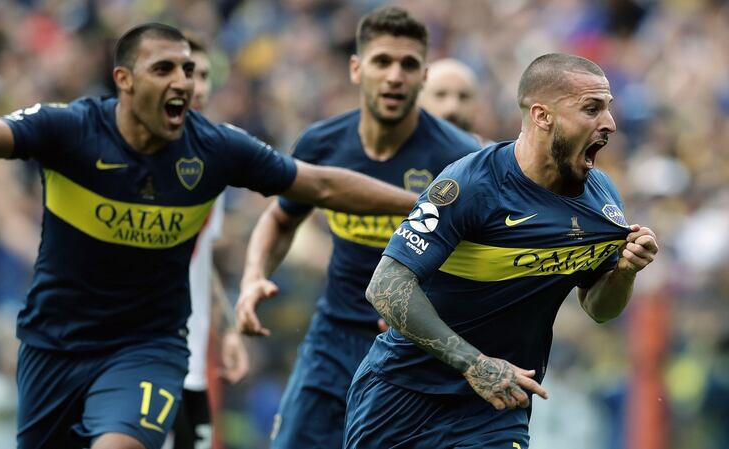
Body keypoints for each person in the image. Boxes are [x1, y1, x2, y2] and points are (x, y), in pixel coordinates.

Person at [0, 23, 418, 449]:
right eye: (163, 69)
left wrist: (424, 205)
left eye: (187, 69)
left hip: (148, 347)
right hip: (54, 345)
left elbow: (322, 184)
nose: (182, 81)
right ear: (124, 80)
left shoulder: (214, 148)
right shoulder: (70, 128)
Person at [344, 53, 659, 449]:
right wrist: (474, 364)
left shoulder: (603, 198)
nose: (610, 123)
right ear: (542, 116)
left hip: (496, 408)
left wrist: (625, 271)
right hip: (401, 397)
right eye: (591, 108)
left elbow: (600, 309)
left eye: (608, 108)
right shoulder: (471, 184)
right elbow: (386, 284)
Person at [234, 7, 480, 449]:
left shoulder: (458, 159)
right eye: (382, 61)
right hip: (334, 337)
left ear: (423, 76)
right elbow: (281, 217)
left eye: (408, 65)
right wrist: (254, 276)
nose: (394, 76)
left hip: (415, 350)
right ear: (356, 68)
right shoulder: (322, 144)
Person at [171, 35, 247, 449]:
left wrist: (228, 329)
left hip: (194, 359)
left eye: (202, 75)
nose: (196, 87)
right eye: (185, 74)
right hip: (140, 360)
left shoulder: (212, 158)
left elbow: (200, 264)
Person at [418, 58, 490, 145]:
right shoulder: (406, 152)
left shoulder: (492, 153)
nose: (453, 107)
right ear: (420, 101)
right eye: (440, 94)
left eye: (463, 96)